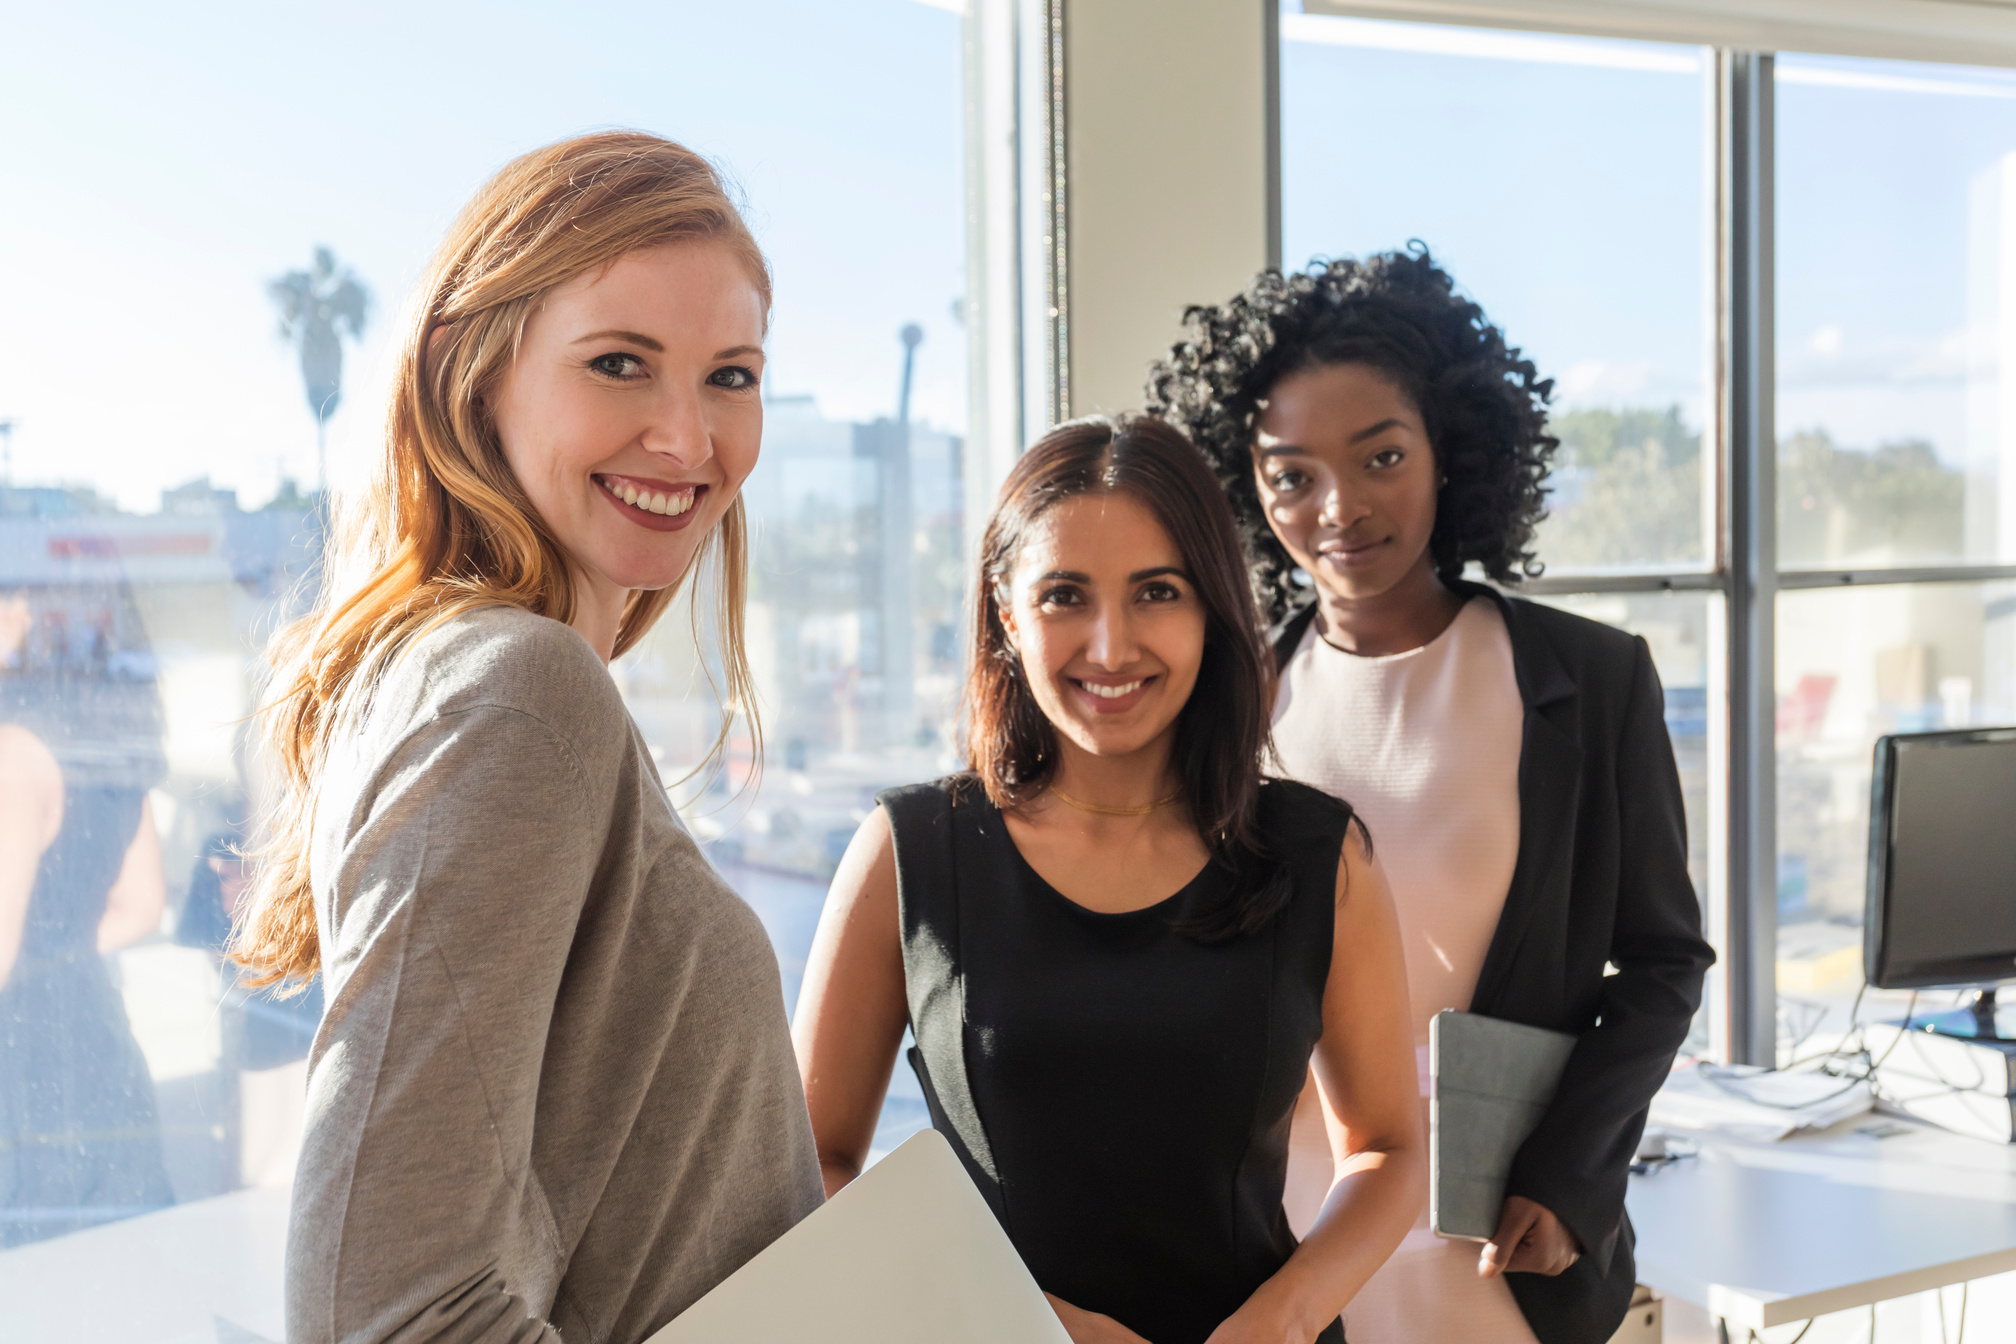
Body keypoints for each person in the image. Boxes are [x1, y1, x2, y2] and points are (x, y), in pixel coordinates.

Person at [230, 132, 823, 1344]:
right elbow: (388, 1316)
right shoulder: (518, 694)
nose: (689, 439)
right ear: (472, 373)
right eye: (620, 364)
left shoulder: (473, 677)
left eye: (731, 376)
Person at [1144, 248, 1717, 1344]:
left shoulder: (1587, 682)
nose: (1338, 508)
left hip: (1501, 1240)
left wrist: (1573, 1175)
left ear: (1450, 450)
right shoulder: (1225, 703)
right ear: (1243, 485)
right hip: (1285, 1242)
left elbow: (1662, 962)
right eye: (1291, 475)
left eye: (1381, 458)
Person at [795, 415, 1426, 1344]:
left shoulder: (1318, 855)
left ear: (1210, 609)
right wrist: (1018, 1322)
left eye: (1156, 593)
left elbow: (1387, 1148)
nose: (1110, 646)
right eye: (1064, 596)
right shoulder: (911, 850)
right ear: (1007, 614)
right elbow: (810, 1162)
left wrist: (1280, 1321)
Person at [0, 584, 176, 1247]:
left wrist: (34, 956)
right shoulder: (104, 739)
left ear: (22, 609)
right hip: (101, 1062)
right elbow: (143, 904)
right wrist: (57, 949)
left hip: (23, 1088)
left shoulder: (12, 755)